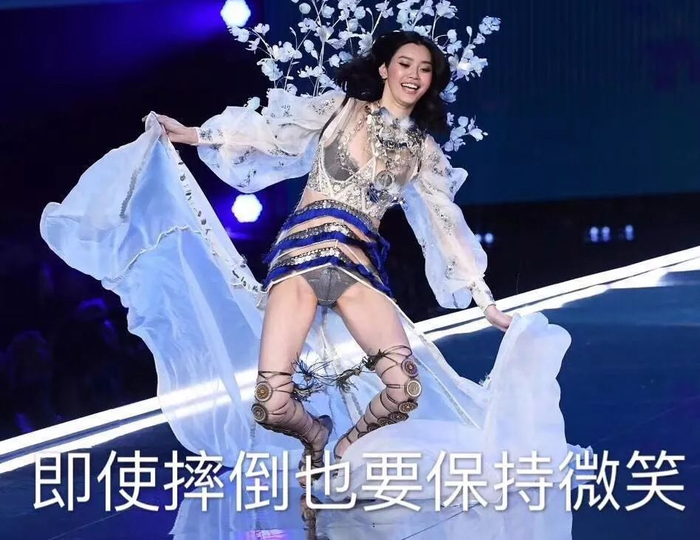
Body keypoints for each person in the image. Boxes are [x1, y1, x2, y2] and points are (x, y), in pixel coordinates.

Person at [155, 30, 513, 486]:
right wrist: (194, 134)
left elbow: (446, 225)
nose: (413, 75)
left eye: (424, 70)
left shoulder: (424, 151)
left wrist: (484, 300)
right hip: (299, 262)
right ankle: (316, 435)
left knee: (404, 389)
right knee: (271, 404)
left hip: (358, 271)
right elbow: (269, 134)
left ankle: (345, 450)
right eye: (405, 64)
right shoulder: (339, 108)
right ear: (384, 69)